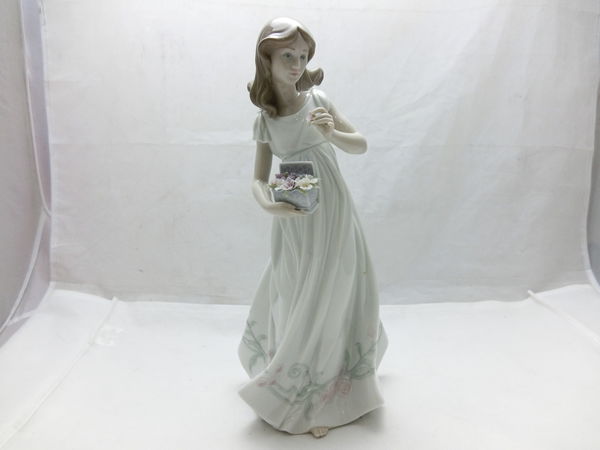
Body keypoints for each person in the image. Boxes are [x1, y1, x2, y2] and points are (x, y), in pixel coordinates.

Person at [237, 17, 389, 438]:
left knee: (331, 291)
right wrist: (268, 204)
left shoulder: (317, 99)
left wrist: (332, 132)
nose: (297, 64)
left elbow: (360, 144)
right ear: (266, 60)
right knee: (294, 291)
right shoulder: (266, 120)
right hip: (293, 208)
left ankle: (328, 393)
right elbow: (258, 177)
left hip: (332, 211)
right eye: (288, 55)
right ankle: (293, 380)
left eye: (303, 56)